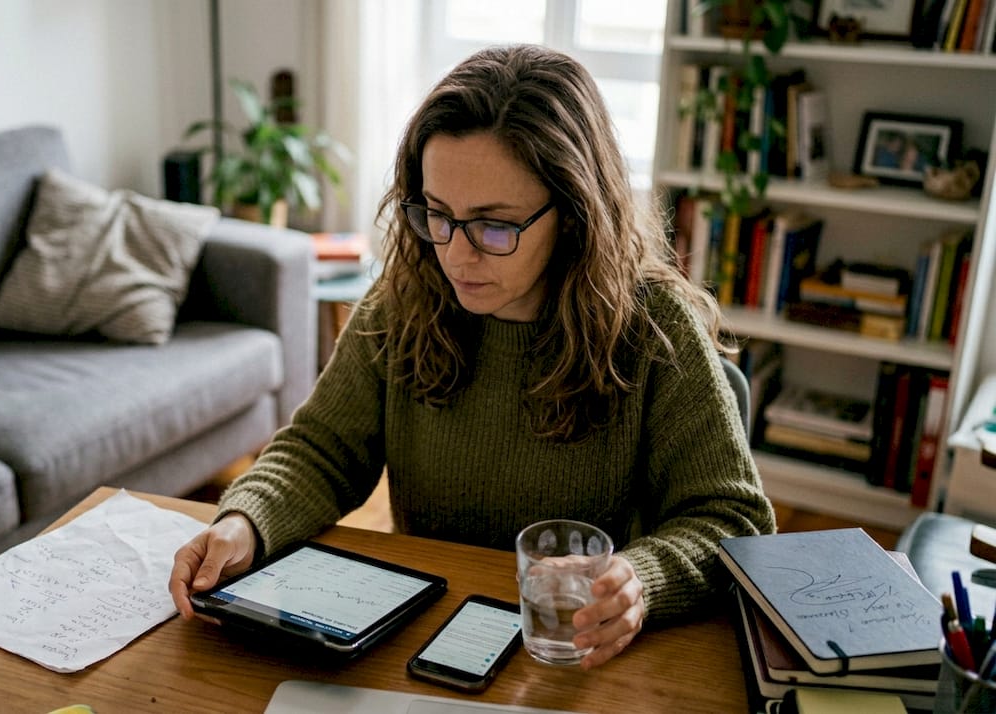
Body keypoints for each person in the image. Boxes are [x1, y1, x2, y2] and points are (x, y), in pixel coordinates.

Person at [169, 44, 775, 669]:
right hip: (428, 642)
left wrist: (640, 580)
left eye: (494, 225)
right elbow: (322, 449)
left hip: (582, 654)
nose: (456, 256)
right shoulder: (403, 302)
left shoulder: (654, 329)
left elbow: (734, 519)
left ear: (573, 215)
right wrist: (246, 523)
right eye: (436, 214)